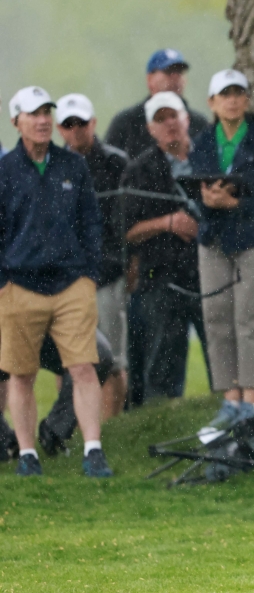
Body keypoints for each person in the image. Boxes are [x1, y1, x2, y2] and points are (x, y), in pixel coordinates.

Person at [0, 86, 111, 477]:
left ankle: (93, 450)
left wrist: (88, 275)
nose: (44, 119)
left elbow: (91, 224)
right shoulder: (5, 170)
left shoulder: (72, 166)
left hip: (70, 285)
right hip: (19, 286)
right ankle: (28, 454)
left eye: (47, 111)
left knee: (83, 367)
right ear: (17, 121)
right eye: (34, 113)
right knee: (22, 373)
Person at [189, 69, 254, 427]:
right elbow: (192, 189)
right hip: (215, 240)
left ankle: (251, 402)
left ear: (246, 100)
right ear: (211, 103)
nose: (232, 100)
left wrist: (235, 205)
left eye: (238, 93)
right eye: (224, 94)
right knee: (216, 316)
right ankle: (229, 399)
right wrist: (210, 202)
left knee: (251, 318)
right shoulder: (202, 141)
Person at [120, 92, 208, 400]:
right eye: (160, 119)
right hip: (161, 276)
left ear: (186, 119)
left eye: (173, 116)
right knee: (162, 364)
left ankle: (231, 416)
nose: (169, 124)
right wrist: (168, 223)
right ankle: (163, 421)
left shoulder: (208, 157)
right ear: (151, 129)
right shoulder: (139, 171)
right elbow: (127, 231)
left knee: (221, 352)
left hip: (209, 272)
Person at [55, 93, 129, 420]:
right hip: (66, 280)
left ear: (93, 123)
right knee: (65, 359)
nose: (75, 130)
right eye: (68, 125)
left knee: (111, 358)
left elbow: (123, 222)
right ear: (60, 129)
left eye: (81, 123)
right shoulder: (53, 167)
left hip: (107, 274)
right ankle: (68, 426)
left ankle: (111, 424)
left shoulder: (116, 162)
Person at [106, 48, 210, 159]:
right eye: (169, 72)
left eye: (179, 72)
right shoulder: (127, 122)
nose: (175, 78)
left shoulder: (199, 123)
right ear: (150, 79)